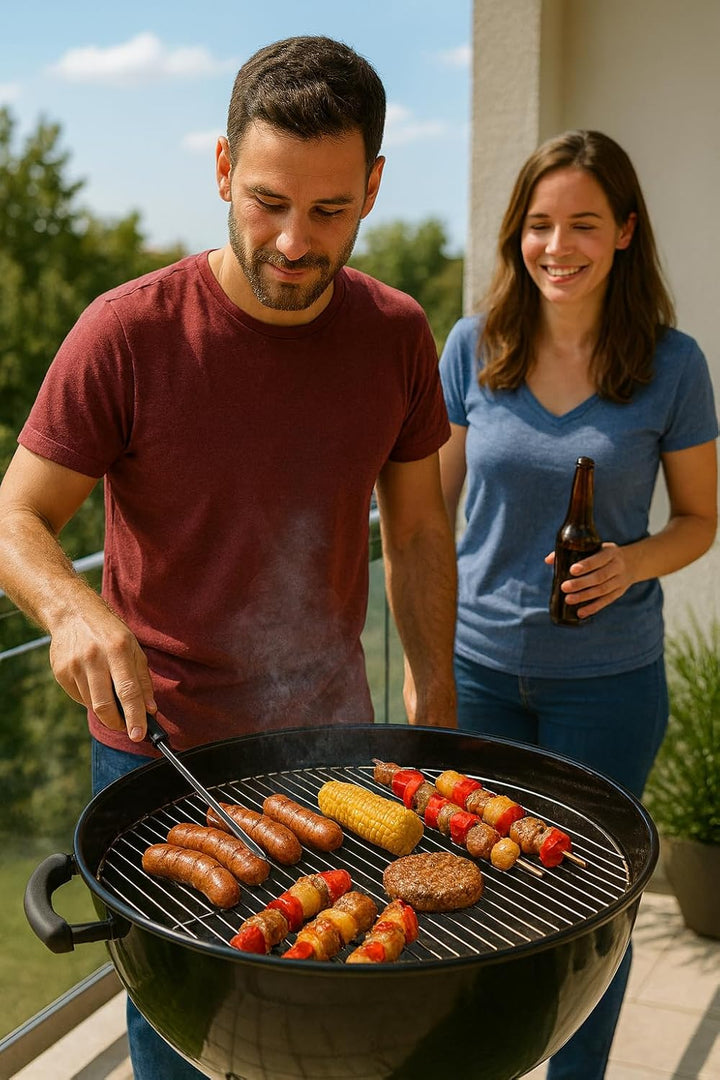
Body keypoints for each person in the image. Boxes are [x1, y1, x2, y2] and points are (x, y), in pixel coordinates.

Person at [0, 36, 457, 1079]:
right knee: (181, 1035)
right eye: (267, 201)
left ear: (375, 187)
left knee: (331, 1029)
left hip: (332, 749)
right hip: (157, 750)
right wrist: (72, 610)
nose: (295, 241)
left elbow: (421, 530)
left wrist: (436, 689)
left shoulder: (396, 333)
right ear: (220, 171)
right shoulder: (124, 333)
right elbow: (15, 517)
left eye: (331, 210)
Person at [438, 129, 717, 1079]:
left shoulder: (673, 366)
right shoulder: (473, 347)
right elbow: (425, 516)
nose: (559, 246)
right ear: (518, 234)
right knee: (466, 892)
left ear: (627, 232)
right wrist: (423, 659)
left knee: (588, 909)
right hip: (477, 678)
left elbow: (701, 519)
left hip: (607, 689)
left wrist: (634, 564)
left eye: (585, 225)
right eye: (540, 224)